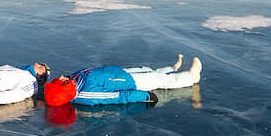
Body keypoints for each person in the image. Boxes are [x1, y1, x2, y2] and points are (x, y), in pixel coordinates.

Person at [44, 54, 202, 106]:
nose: (61, 76)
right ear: (66, 90)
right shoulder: (86, 94)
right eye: (62, 80)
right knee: (158, 80)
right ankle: (190, 77)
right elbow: (116, 97)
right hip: (131, 83)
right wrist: (145, 96)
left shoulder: (75, 79)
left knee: (147, 70)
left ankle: (171, 69)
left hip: (120, 73)